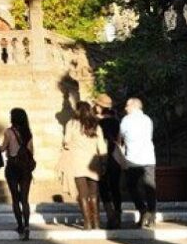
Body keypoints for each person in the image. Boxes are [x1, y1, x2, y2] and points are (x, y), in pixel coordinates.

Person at [63, 101, 106, 230]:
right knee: (94, 194)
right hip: (94, 162)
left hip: (77, 162)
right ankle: (96, 223)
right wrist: (104, 162)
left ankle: (87, 222)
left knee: (82, 193)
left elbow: (66, 142)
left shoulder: (71, 124)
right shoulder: (96, 125)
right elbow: (102, 146)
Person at [120, 97, 157, 229]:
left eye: (127, 106)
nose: (125, 108)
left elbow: (121, 136)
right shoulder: (147, 119)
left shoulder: (126, 120)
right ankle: (152, 214)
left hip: (133, 159)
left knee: (131, 186)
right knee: (150, 187)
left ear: (134, 106)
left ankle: (142, 210)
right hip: (148, 157)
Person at [1, 107, 36, 241]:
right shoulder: (28, 133)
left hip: (12, 167)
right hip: (25, 168)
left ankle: (20, 226)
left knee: (15, 199)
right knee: (25, 199)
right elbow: (31, 151)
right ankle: (27, 226)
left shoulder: (9, 132)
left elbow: (4, 147)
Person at [95, 94, 123, 230]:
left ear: (101, 107)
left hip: (103, 157)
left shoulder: (97, 123)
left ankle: (110, 216)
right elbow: (119, 140)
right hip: (115, 157)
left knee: (103, 187)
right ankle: (118, 214)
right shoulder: (117, 121)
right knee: (115, 187)